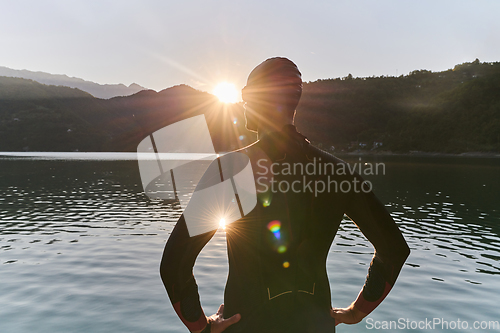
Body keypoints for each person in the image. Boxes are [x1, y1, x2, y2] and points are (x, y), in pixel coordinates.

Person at [160, 57, 410, 333]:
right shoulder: (337, 172)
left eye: (245, 95)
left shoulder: (229, 169)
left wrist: (202, 326)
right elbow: (393, 249)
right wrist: (356, 312)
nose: (242, 104)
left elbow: (175, 263)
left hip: (247, 325)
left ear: (256, 99)